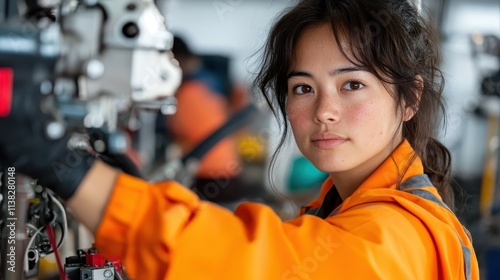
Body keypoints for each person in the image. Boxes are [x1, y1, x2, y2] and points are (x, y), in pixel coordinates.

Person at [0, 0, 479, 279]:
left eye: (352, 84)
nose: (324, 111)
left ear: (410, 99)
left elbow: (244, 263)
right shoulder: (343, 206)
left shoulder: (395, 235)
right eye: (303, 88)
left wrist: (65, 168)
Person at [159, 36, 247, 203]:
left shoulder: (188, 93)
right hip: (229, 174)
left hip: (209, 178)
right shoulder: (209, 80)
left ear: (176, 59)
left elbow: (180, 137)